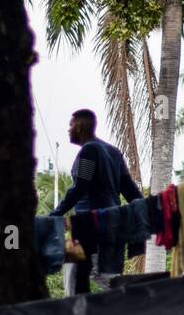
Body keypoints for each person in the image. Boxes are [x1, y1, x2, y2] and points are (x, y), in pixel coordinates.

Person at [50, 109, 142, 292]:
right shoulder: (114, 153)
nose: (68, 130)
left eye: (71, 125)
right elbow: (132, 193)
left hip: (93, 224)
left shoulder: (89, 150)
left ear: (80, 127)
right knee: (76, 270)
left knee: (99, 276)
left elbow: (80, 186)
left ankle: (134, 301)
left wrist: (54, 214)